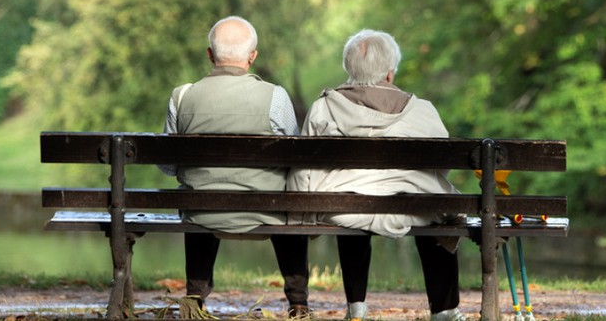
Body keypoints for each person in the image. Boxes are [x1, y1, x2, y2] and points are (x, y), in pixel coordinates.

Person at [288, 29, 465, 321]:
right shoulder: (422, 110)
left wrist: (304, 210)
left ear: (349, 70)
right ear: (389, 74)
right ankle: (445, 309)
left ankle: (356, 306)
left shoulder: (323, 107)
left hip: (343, 209)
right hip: (411, 208)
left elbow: (304, 166)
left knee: (351, 197)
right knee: (437, 209)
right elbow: (440, 167)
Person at [159, 16, 310, 319]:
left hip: (202, 211)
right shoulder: (275, 96)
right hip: (267, 208)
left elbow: (168, 165)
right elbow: (295, 159)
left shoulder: (182, 96)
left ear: (210, 55)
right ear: (252, 57)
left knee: (198, 193)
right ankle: (298, 303)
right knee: (289, 198)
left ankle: (195, 298)